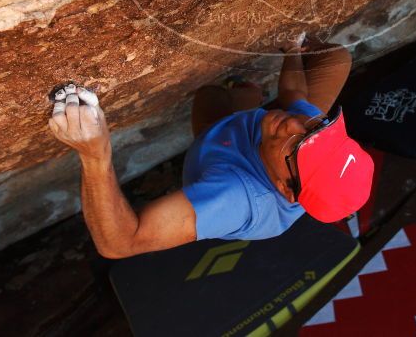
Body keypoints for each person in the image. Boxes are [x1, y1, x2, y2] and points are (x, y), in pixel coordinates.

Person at [48, 38, 374, 259]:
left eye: (302, 141)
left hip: (217, 145)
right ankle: (248, 98)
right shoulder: (306, 135)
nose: (296, 124)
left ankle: (243, 96)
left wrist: (94, 155)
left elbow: (120, 243)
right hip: (247, 137)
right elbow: (294, 96)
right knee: (336, 58)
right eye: (317, 127)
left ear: (284, 189)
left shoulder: (234, 199)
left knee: (211, 96)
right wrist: (291, 45)